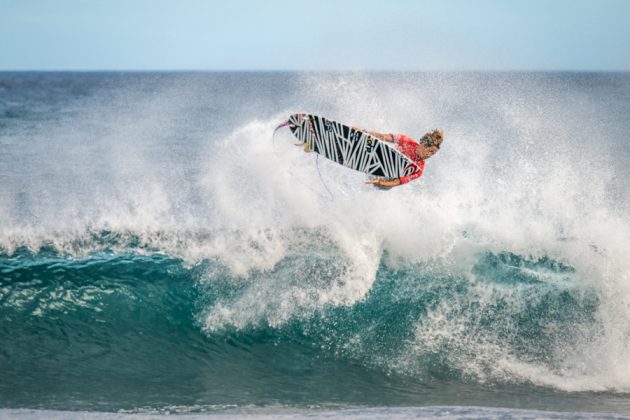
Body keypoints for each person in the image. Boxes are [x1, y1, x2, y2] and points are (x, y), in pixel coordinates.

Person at [361, 128, 444, 189]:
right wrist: (364, 133)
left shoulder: (418, 168)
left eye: (432, 154)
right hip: (382, 164)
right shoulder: (406, 141)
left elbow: (397, 182)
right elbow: (383, 136)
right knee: (377, 149)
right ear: (424, 144)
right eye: (430, 151)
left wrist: (381, 183)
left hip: (388, 181)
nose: (429, 156)